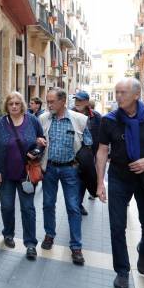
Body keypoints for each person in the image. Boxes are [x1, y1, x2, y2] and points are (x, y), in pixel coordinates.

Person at [96, 78, 144, 288]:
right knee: (116, 226)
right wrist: (100, 183)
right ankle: (122, 271)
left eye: (122, 92)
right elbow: (102, 150)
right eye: (116, 92)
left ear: (136, 95)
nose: (118, 96)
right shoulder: (109, 120)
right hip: (119, 177)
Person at [0, 92, 47, 260]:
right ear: (7, 106)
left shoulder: (33, 121)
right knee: (7, 206)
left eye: (17, 103)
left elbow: (41, 141)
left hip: (26, 175)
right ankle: (8, 233)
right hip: (5, 176)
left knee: (28, 209)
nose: (14, 106)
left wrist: (36, 152)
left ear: (22, 105)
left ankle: (30, 244)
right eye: (10, 104)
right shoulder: (0, 124)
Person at [38, 88, 92, 265]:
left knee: (73, 207)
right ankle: (49, 235)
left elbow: (88, 144)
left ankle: (76, 247)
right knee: (47, 204)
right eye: (48, 102)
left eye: (52, 102)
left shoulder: (80, 120)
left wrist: (81, 164)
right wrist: (38, 142)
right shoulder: (44, 119)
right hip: (50, 169)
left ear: (62, 102)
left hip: (70, 170)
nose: (49, 105)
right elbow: (37, 139)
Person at [73, 90, 102, 215]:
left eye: (80, 100)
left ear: (86, 102)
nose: (77, 102)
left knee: (84, 180)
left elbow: (101, 136)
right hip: (73, 156)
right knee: (74, 181)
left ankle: (78, 204)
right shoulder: (69, 114)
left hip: (88, 156)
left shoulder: (96, 117)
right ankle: (76, 205)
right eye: (76, 100)